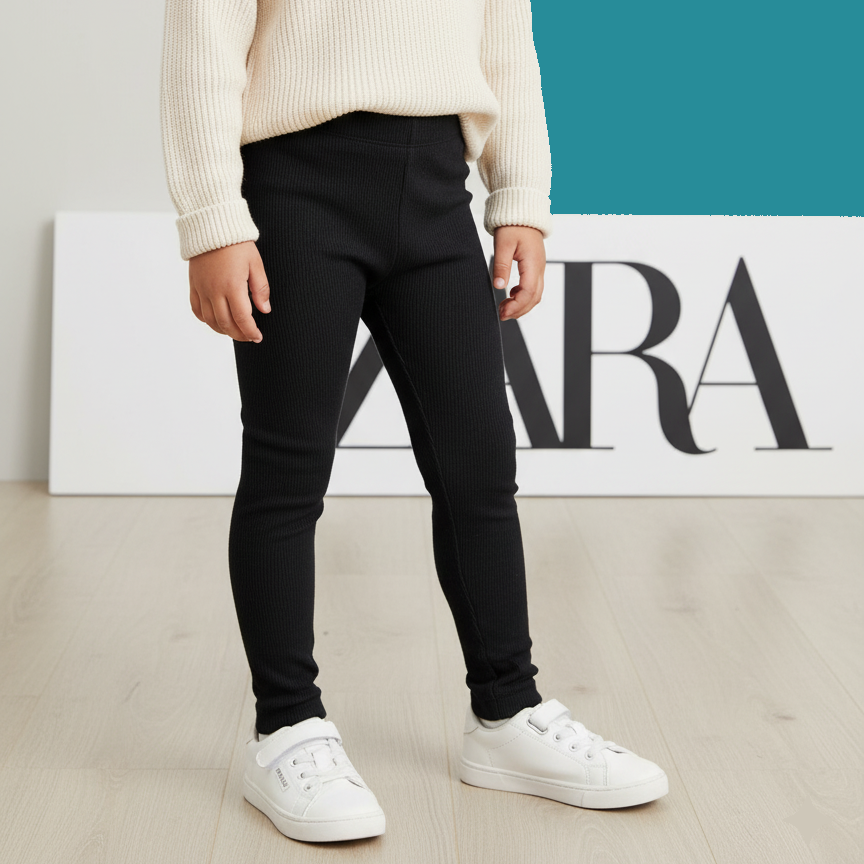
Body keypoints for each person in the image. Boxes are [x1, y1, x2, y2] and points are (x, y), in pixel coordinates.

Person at [160, 0, 668, 844]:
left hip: (436, 190)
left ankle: (506, 710)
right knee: (289, 469)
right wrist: (212, 217)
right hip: (294, 190)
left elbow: (506, 43)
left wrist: (520, 197)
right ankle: (286, 726)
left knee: (479, 467)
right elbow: (203, 45)